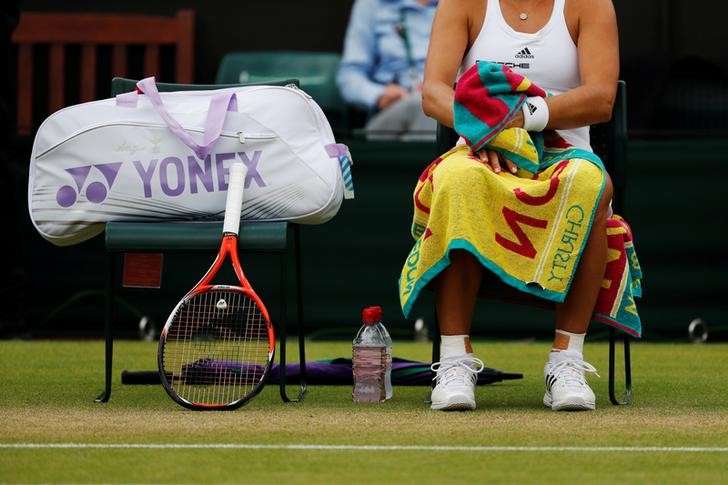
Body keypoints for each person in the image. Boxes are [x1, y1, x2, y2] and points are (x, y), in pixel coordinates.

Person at [421, 0, 619, 410]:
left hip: (563, 153)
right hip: (480, 148)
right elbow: (433, 92)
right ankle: (455, 360)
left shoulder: (592, 5)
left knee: (590, 183)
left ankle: (566, 362)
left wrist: (522, 118)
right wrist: (486, 130)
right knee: (456, 180)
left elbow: (601, 99)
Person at [337, 0, 439, 141]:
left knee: (432, 104)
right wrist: (379, 94)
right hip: (392, 112)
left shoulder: (461, 5)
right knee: (422, 104)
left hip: (444, 105)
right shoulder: (372, 5)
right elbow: (349, 78)